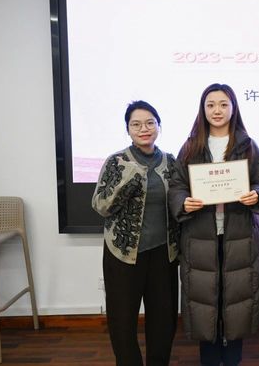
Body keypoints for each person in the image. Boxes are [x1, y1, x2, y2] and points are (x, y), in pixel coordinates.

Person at [168, 83, 259, 366]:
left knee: (236, 303)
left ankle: (232, 359)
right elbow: (176, 186)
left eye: (223, 104)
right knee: (205, 304)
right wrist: (183, 202)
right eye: (210, 105)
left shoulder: (247, 145)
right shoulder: (191, 146)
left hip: (240, 237)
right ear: (203, 109)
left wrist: (256, 194)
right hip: (201, 238)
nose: (217, 110)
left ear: (233, 108)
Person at [92, 100, 179, 366]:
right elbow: (101, 205)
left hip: (163, 254)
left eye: (150, 123)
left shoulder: (171, 162)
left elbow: (180, 202)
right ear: (128, 129)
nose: (144, 129)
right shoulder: (117, 162)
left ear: (159, 126)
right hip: (123, 253)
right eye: (136, 124)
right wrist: (127, 180)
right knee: (122, 321)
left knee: (163, 321)